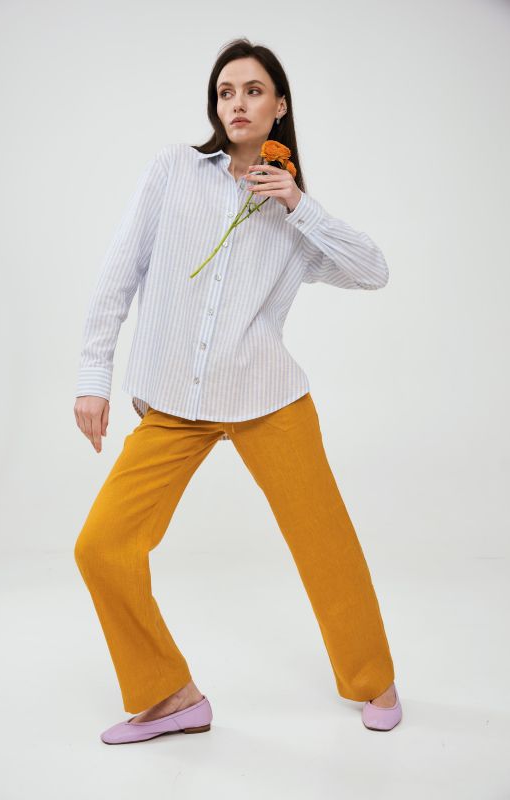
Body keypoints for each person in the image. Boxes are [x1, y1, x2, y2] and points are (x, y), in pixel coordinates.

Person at [73, 37, 402, 745]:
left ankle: (374, 679)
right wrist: (93, 376)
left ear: (279, 106)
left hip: (266, 397)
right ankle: (169, 696)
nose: (237, 103)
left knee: (325, 545)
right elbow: (118, 272)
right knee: (101, 546)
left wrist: (299, 204)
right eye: (226, 92)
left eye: (253, 91)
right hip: (174, 403)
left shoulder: (291, 210)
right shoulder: (173, 170)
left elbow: (373, 271)